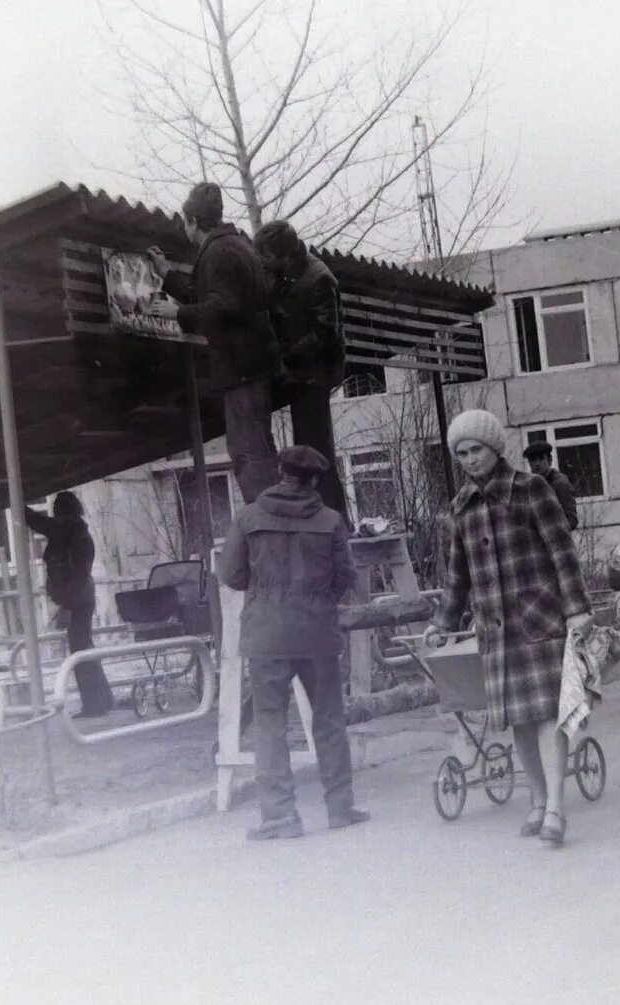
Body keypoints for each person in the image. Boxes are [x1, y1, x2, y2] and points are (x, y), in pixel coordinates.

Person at [423, 410, 592, 846]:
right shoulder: (461, 507)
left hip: (540, 620)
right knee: (518, 721)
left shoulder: (532, 490)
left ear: (494, 447)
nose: (469, 460)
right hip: (495, 632)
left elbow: (562, 553)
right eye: (461, 453)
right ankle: (536, 800)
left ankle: (555, 807)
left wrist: (576, 608)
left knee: (548, 717)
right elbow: (457, 577)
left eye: (476, 450)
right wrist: (442, 622)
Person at [217, 445, 369, 840]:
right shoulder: (330, 520)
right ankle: (339, 807)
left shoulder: (248, 516)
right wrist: (318, 602)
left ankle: (280, 817)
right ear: (314, 479)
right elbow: (344, 576)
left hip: (265, 634)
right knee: (329, 721)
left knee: (270, 726)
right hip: (317, 633)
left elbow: (231, 575)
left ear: (279, 472)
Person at [148, 182, 282, 505]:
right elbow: (214, 298)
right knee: (259, 450)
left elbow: (222, 306)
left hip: (242, 371)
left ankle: (267, 526)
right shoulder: (233, 246)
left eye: (185, 221)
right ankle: (274, 522)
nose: (184, 228)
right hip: (252, 368)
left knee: (247, 453)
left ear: (193, 221)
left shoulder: (220, 253)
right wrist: (166, 276)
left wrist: (178, 312)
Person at [253, 220, 350, 521]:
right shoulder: (283, 273)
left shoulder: (320, 278)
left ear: (284, 255)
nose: (262, 263)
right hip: (294, 372)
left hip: (313, 375)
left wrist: (285, 357)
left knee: (316, 450)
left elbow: (324, 334)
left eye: (265, 257)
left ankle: (333, 521)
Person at [24, 491, 114, 718]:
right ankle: (102, 698)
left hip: (77, 598)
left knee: (79, 650)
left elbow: (76, 575)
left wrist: (67, 605)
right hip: (82, 597)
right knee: (84, 648)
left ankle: (95, 704)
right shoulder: (75, 532)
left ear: (63, 513)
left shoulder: (66, 532)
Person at [521, 440, 579, 530]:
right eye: (533, 460)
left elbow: (571, 519)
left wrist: (553, 532)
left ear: (550, 460)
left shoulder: (560, 484)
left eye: (541, 458)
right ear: (529, 463)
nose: (537, 464)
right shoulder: (527, 486)